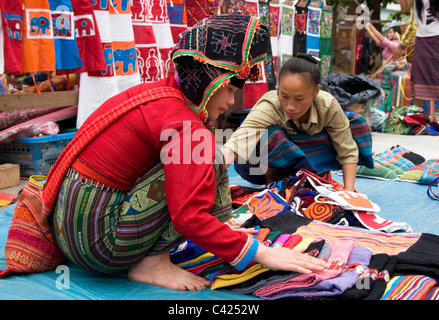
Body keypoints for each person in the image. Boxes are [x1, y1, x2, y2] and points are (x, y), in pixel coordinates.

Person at [48, 15, 326, 292]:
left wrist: (224, 231)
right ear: (207, 81)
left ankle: (218, 228)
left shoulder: (160, 94)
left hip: (70, 228)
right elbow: (188, 217)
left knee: (208, 158)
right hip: (100, 246)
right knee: (202, 161)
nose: (230, 102)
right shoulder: (185, 127)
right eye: (228, 89)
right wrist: (261, 253)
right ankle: (152, 262)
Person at [222, 53, 374, 191]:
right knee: (268, 134)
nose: (290, 106)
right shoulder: (270, 105)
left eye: (299, 99)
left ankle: (315, 175)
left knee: (356, 124)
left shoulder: (327, 104)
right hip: (266, 166)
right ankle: (274, 183)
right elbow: (236, 144)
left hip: (312, 154)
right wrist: (206, 175)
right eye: (284, 96)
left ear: (316, 92)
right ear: (278, 89)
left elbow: (347, 150)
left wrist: (348, 192)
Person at [398, 0, 439, 115]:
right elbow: (404, 8)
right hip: (422, 38)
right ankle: (418, 120)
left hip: (437, 37)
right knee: (418, 79)